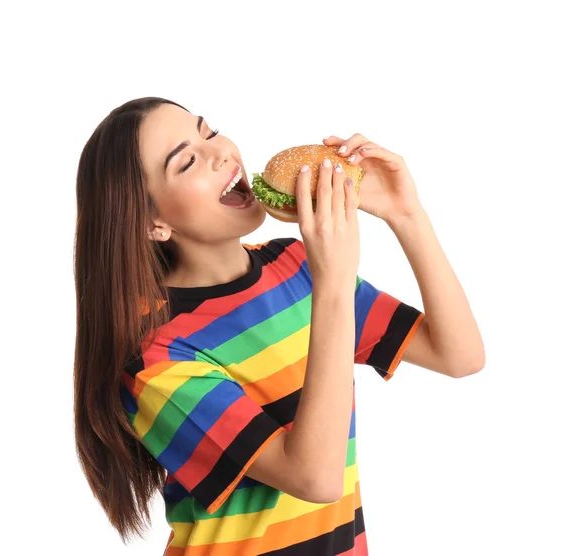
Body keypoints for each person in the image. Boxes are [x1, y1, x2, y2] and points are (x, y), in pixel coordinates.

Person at [73, 97, 485, 555]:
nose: (219, 152)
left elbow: (460, 355)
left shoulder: (297, 267)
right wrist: (332, 281)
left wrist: (406, 215)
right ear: (154, 223)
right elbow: (315, 477)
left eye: (208, 131)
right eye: (187, 160)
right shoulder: (156, 354)